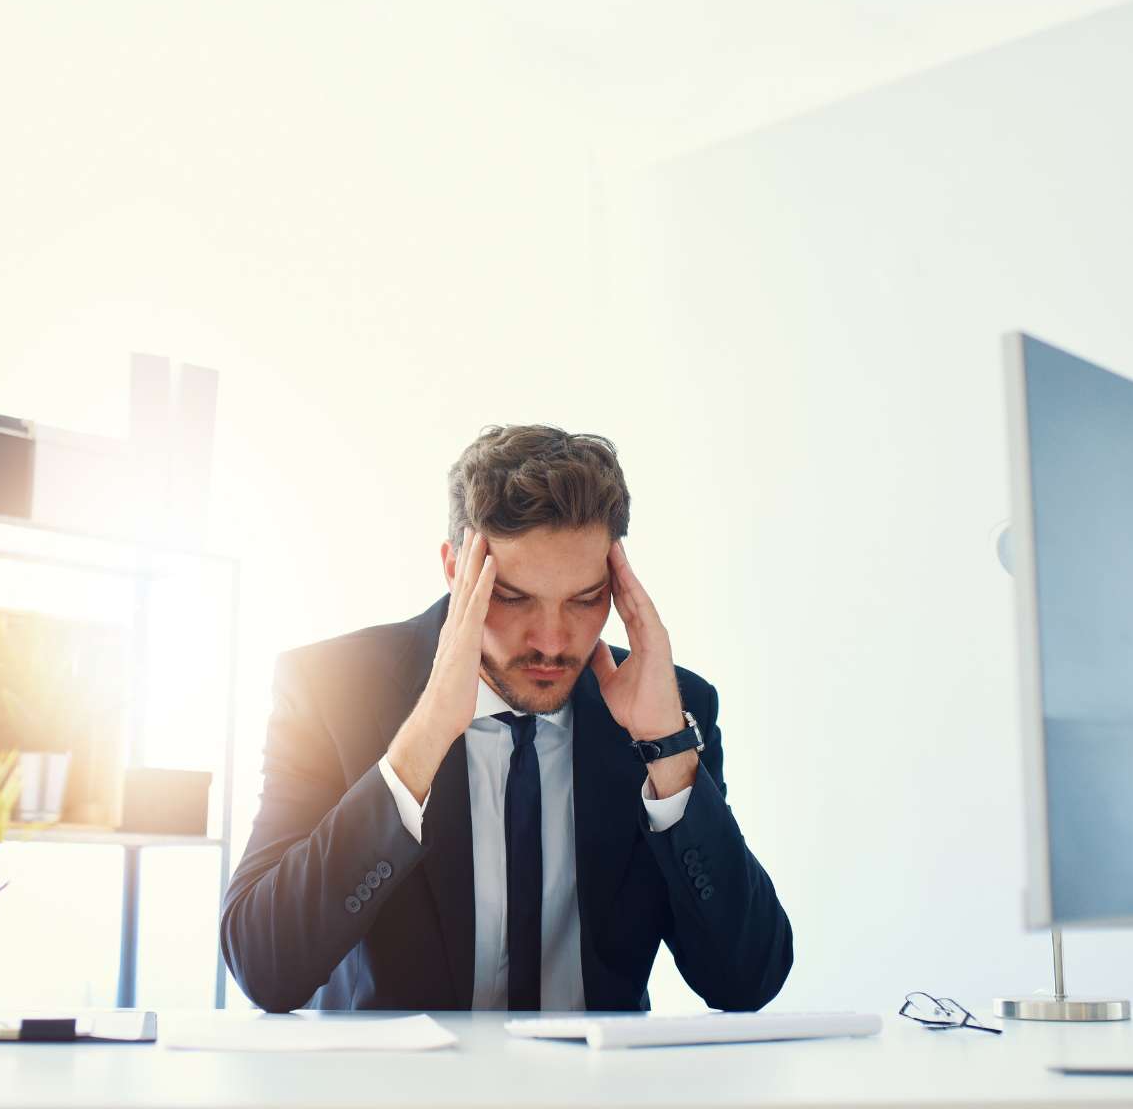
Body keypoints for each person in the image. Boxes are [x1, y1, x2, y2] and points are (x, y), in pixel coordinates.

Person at [220, 425, 793, 1012]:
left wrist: (667, 753)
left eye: (585, 598)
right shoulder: (330, 689)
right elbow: (266, 968)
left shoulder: (673, 711)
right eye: (513, 598)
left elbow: (747, 979)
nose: (552, 640)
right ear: (454, 569)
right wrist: (422, 742)